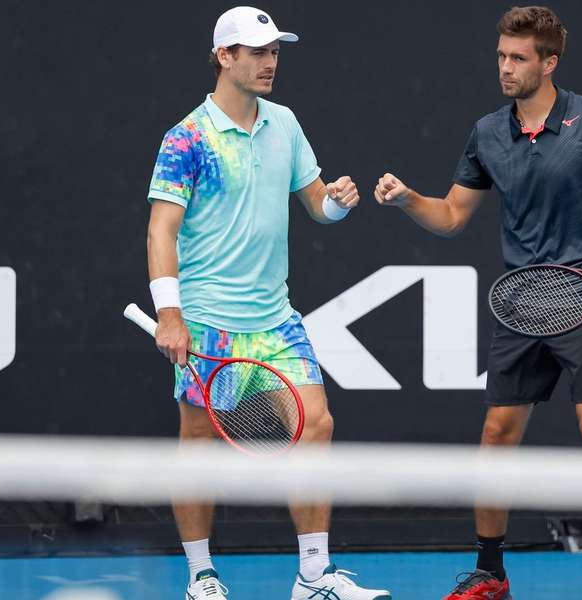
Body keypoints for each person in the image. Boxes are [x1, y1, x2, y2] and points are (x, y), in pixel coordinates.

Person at [374, 6, 582, 600]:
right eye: (501, 56)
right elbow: (452, 215)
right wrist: (409, 199)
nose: (506, 67)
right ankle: (490, 573)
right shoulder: (488, 132)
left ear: (550, 62)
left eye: (518, 58)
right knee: (497, 433)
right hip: (521, 303)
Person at [145, 6, 391, 600]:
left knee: (317, 425)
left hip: (275, 320)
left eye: (275, 51)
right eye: (256, 51)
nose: (270, 62)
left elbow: (315, 206)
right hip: (207, 321)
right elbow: (161, 232)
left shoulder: (285, 123)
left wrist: (338, 201)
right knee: (198, 445)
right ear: (224, 57)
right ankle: (202, 577)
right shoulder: (186, 139)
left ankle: (313, 578)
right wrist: (171, 313)